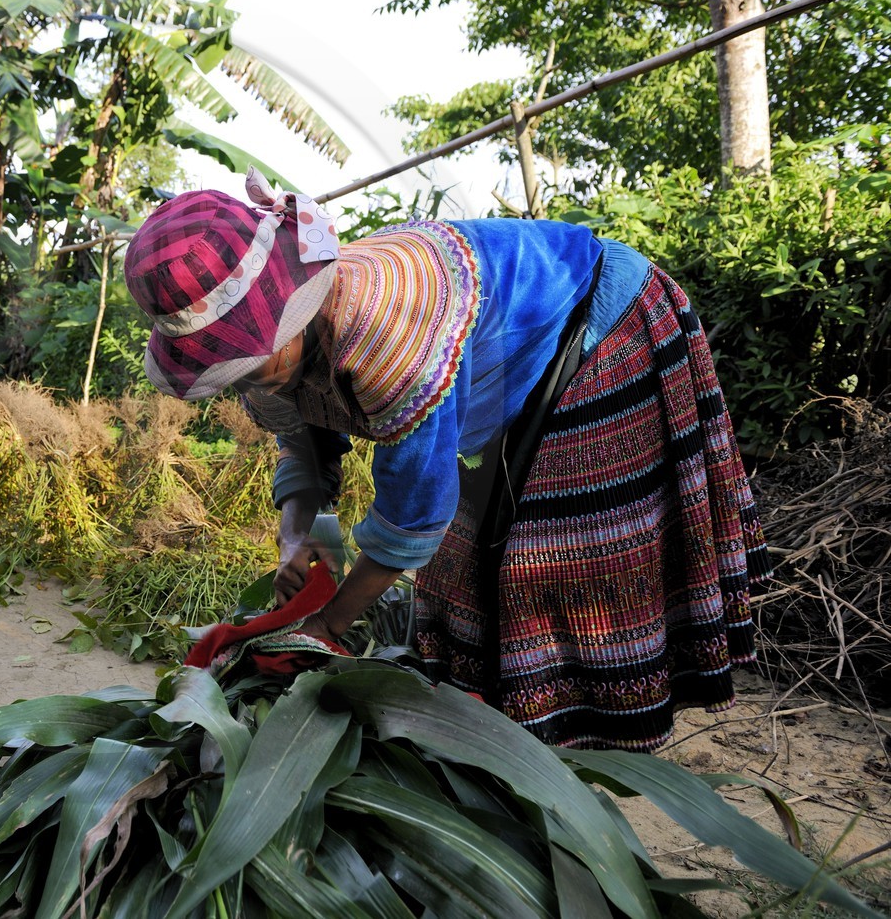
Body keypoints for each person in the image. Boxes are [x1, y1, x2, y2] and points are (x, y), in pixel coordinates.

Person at [125, 169, 772, 751]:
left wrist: (327, 624)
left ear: (293, 313)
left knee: (556, 557)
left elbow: (413, 513)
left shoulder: (385, 333)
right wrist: (304, 545)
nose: (246, 378)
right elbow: (303, 445)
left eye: (245, 359)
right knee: (468, 556)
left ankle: (576, 750)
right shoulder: (281, 363)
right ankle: (502, 720)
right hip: (502, 373)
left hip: (602, 323)